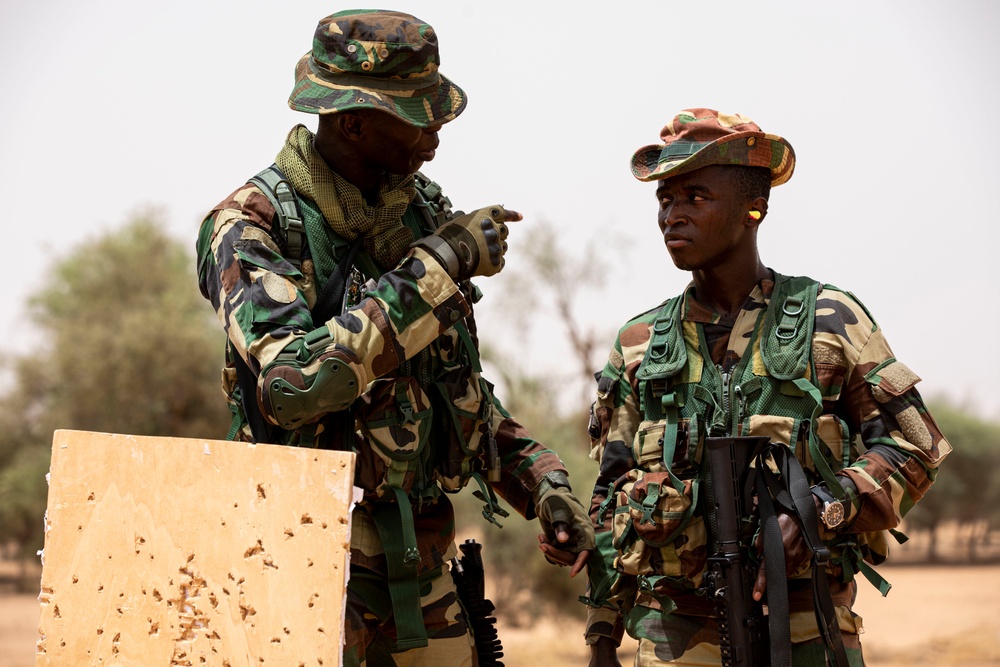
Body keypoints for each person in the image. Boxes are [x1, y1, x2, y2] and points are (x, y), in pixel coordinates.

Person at [195, 9, 594, 665]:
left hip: (421, 576)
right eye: (417, 112)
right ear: (352, 121)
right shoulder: (250, 225)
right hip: (297, 573)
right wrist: (437, 267)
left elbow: (451, 394)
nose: (437, 128)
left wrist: (542, 480)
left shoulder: (418, 212)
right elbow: (294, 385)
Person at [582, 108, 952, 666]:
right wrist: (603, 636)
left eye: (695, 198)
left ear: (753, 209)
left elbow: (917, 447)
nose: (672, 216)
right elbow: (610, 498)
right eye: (665, 201)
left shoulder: (830, 321)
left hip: (806, 628)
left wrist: (820, 507)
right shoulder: (640, 343)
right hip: (674, 637)